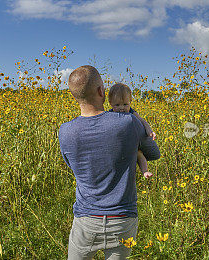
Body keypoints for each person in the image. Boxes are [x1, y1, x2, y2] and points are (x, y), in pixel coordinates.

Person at [58, 65, 160, 259]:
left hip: (86, 221)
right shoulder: (128, 122)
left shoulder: (65, 131)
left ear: (74, 95)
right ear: (101, 92)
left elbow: (73, 165)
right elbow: (153, 153)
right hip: (122, 220)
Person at [108, 83, 157, 179]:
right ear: (110, 103)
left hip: (131, 144)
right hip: (116, 145)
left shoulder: (131, 112)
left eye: (125, 104)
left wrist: (149, 130)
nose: (121, 108)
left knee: (139, 154)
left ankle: (145, 171)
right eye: (117, 105)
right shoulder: (109, 114)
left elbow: (142, 120)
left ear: (130, 101)